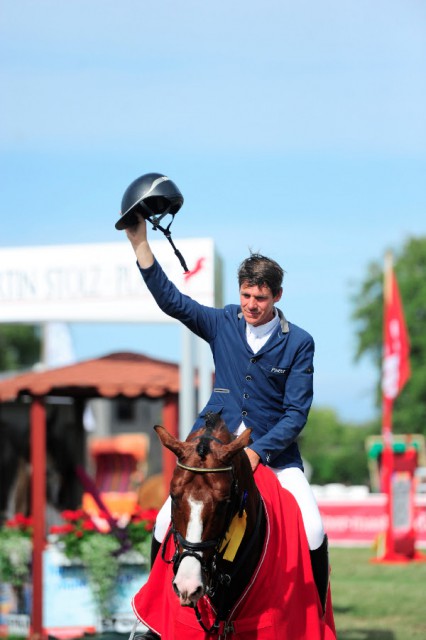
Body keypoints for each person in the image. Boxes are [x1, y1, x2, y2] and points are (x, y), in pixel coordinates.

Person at [123, 213, 329, 638]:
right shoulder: (222, 323)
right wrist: (139, 243)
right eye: (246, 295)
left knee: (313, 528)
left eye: (261, 298)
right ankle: (155, 621)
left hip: (274, 457)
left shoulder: (299, 342)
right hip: (211, 450)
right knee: (165, 522)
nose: (252, 305)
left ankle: (316, 618)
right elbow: (171, 300)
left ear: (278, 296)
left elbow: (296, 414)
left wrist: (258, 451)